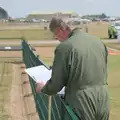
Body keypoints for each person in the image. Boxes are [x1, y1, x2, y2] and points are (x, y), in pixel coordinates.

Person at [36, 17, 110, 120]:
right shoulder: (98, 42)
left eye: (55, 35)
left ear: (60, 30)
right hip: (103, 100)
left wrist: (43, 88)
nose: (57, 39)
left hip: (81, 103)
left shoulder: (64, 48)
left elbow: (56, 85)